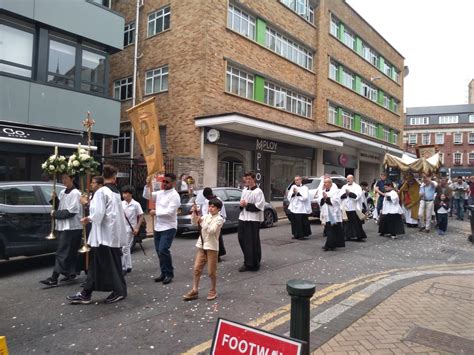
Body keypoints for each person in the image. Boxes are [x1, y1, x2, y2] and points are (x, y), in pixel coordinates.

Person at [67, 165, 128, 304]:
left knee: (107, 265)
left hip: (104, 236)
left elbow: (99, 214)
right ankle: (86, 293)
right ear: (114, 177)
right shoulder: (116, 192)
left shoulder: (102, 192)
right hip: (111, 234)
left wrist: (87, 208)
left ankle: (118, 291)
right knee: (99, 265)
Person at [40, 173, 82, 287]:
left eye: (66, 178)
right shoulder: (63, 192)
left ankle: (54, 278)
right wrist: (55, 199)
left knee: (62, 252)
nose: (63, 181)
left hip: (72, 227)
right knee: (70, 252)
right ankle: (71, 273)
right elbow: (61, 207)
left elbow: (71, 212)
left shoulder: (76, 193)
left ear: (72, 179)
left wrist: (55, 214)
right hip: (64, 226)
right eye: (62, 178)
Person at [183, 198, 224, 301]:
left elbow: (211, 230)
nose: (210, 208)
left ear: (218, 209)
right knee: (197, 268)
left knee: (211, 272)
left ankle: (213, 289)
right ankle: (194, 290)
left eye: (213, 206)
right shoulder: (205, 216)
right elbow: (194, 222)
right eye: (210, 206)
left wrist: (201, 222)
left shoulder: (219, 219)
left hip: (212, 248)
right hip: (202, 246)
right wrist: (194, 214)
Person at [144, 173, 181, 284]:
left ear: (173, 183)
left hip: (169, 227)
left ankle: (169, 273)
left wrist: (156, 212)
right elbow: (147, 195)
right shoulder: (160, 193)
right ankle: (163, 272)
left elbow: (170, 212)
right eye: (163, 181)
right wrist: (147, 184)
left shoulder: (175, 196)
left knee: (163, 249)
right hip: (158, 226)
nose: (164, 184)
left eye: (167, 182)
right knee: (159, 251)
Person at [238, 171, 265, 272]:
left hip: (253, 220)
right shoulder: (244, 190)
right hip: (243, 218)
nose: (247, 181)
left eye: (249, 179)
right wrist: (241, 204)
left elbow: (260, 206)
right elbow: (242, 203)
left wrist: (247, 205)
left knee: (252, 242)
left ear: (254, 179)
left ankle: (252, 263)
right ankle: (248, 259)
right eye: (246, 179)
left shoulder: (258, 192)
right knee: (241, 239)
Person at [196, 187, 227, 261]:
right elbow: (204, 211)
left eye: (207, 196)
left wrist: (222, 219)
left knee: (217, 239)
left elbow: (222, 211)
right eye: (206, 197)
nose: (207, 198)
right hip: (207, 220)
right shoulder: (207, 201)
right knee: (206, 238)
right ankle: (207, 254)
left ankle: (217, 255)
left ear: (210, 194)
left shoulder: (218, 200)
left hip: (216, 220)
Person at [121, 185, 144, 275]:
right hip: (122, 227)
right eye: (123, 193)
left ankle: (123, 267)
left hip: (131, 228)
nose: (124, 195)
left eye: (126, 193)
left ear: (131, 194)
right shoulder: (121, 203)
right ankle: (129, 266)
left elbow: (141, 215)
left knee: (124, 248)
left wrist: (137, 227)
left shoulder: (136, 204)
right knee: (126, 248)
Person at [320, 178, 345, 251]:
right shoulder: (323, 191)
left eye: (326, 182)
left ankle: (328, 245)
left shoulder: (335, 191)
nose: (325, 184)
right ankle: (332, 244)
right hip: (326, 213)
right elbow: (320, 201)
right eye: (324, 182)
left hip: (333, 213)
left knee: (331, 230)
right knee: (329, 230)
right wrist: (323, 199)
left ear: (330, 183)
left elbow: (336, 201)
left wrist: (327, 198)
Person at [340, 175, 367, 242]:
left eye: (350, 179)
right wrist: (345, 194)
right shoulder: (344, 186)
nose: (348, 180)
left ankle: (359, 236)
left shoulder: (357, 187)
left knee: (356, 223)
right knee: (346, 223)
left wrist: (349, 193)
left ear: (353, 179)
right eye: (347, 179)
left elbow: (358, 196)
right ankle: (347, 235)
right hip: (346, 207)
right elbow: (340, 195)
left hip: (354, 207)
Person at [287, 176, 311, 240]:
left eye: (298, 180)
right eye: (295, 180)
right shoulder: (293, 187)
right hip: (293, 207)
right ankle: (295, 234)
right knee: (294, 222)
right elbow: (289, 196)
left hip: (301, 207)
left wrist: (297, 193)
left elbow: (305, 197)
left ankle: (302, 235)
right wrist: (293, 193)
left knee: (301, 222)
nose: (296, 181)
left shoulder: (305, 188)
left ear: (301, 180)